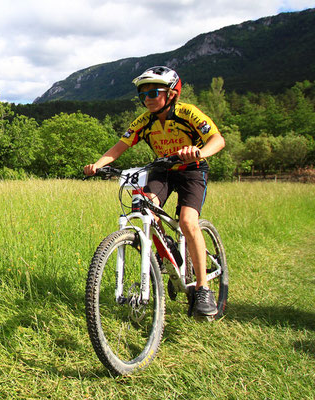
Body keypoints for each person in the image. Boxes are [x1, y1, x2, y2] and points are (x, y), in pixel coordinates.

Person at [84, 66, 225, 317]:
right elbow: (119, 147)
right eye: (143, 95)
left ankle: (203, 287)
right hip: (163, 169)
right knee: (143, 205)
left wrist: (198, 152)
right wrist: (98, 165)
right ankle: (166, 251)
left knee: (187, 221)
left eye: (153, 93)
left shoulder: (188, 113)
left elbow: (218, 140)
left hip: (192, 170)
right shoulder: (143, 122)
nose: (147, 99)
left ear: (171, 94)